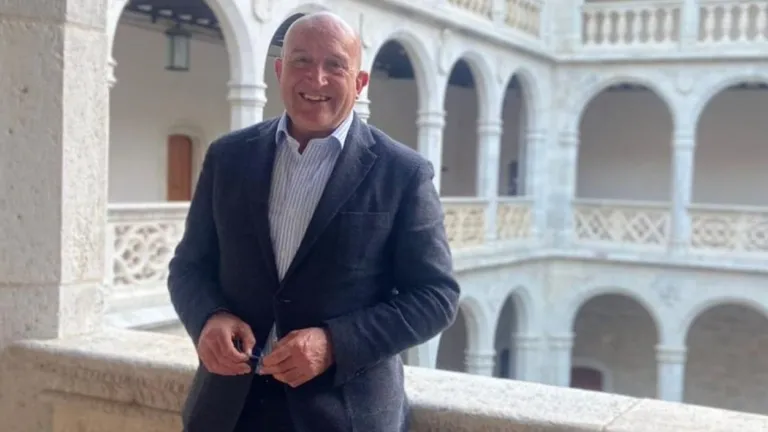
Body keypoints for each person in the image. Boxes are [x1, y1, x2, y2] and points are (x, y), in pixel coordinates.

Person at [168, 11, 460, 432]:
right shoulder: (228, 157)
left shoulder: (402, 173)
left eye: (335, 65)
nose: (316, 78)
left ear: (359, 83)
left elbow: (436, 297)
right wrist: (208, 318)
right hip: (228, 410)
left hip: (342, 414)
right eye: (301, 61)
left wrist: (335, 344)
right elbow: (188, 267)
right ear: (280, 71)